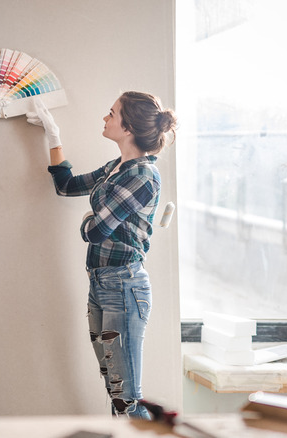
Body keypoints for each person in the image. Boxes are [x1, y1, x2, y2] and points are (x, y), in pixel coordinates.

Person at [26, 92, 178, 419]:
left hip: (123, 287)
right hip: (100, 285)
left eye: (111, 114)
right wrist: (53, 135)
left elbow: (95, 231)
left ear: (128, 127)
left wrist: (87, 222)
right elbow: (66, 186)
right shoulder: (115, 167)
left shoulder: (142, 176)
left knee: (127, 399)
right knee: (116, 391)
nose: (104, 118)